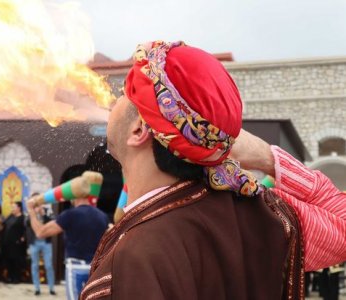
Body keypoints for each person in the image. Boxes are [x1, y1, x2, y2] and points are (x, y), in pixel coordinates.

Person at [73, 41, 346, 300]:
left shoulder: (129, 263)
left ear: (139, 130)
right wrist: (265, 156)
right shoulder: (266, 215)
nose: (114, 100)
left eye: (125, 93)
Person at [27, 181, 109, 300]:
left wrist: (31, 211)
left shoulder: (69, 215)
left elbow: (40, 232)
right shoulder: (102, 216)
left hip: (75, 268)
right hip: (95, 269)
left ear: (74, 196)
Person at [26, 202, 56, 296]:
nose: (38, 207)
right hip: (34, 243)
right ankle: (37, 288)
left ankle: (51, 288)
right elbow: (26, 223)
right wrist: (33, 214)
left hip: (46, 242)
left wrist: (44, 214)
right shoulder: (30, 212)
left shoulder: (48, 212)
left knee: (49, 265)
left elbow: (54, 222)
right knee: (35, 265)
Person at [2, 201, 26, 283]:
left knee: (16, 261)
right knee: (8, 260)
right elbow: (4, 224)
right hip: (7, 243)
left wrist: (23, 238)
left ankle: (16, 278)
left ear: (19, 208)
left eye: (14, 207)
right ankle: (9, 277)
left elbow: (25, 230)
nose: (12, 209)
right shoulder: (10, 216)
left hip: (17, 243)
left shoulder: (23, 217)